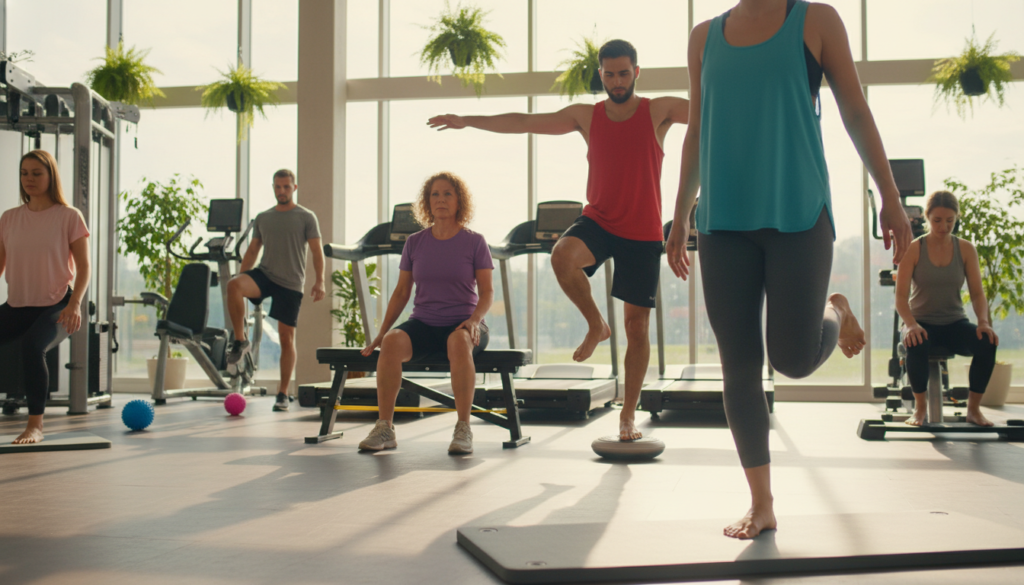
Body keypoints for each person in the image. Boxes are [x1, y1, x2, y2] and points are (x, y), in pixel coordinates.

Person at [665, 0, 912, 539]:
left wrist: (889, 197)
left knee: (794, 360)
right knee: (739, 365)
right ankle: (762, 502)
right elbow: (697, 127)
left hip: (798, 210)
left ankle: (834, 310)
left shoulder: (816, 20)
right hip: (723, 218)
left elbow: (854, 110)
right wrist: (682, 210)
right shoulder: (704, 36)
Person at [428, 39, 689, 442]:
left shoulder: (659, 110)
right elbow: (524, 122)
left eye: (624, 73)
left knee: (637, 328)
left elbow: (715, 109)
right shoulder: (587, 115)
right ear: (599, 74)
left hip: (642, 231)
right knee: (562, 256)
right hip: (599, 219)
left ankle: (628, 416)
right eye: (609, 73)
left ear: (637, 72)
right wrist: (467, 119)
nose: (617, 81)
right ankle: (595, 323)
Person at [358, 171, 493, 455]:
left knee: (457, 341)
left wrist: (474, 320)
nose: (441, 199)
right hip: (424, 323)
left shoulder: (474, 241)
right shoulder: (415, 242)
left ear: (459, 202)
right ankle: (385, 427)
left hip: (465, 324)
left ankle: (463, 428)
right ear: (427, 202)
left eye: (448, 194)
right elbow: (401, 292)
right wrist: (381, 334)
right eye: (435, 194)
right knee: (394, 342)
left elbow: (488, 292)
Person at [0, 150, 90, 444]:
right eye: (24, 173)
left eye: (37, 173)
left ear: (51, 176)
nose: (29, 179)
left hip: (57, 306)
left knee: (32, 346)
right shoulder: (9, 218)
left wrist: (75, 304)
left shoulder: (69, 216)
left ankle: (35, 425)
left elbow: (84, 267)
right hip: (16, 305)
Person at [226, 169, 326, 412]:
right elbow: (252, 251)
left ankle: (282, 393)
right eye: (278, 187)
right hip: (266, 274)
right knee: (233, 285)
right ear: (273, 187)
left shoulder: (306, 216)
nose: (282, 191)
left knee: (286, 338)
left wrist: (320, 280)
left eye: (286, 187)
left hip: (291, 283)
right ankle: (240, 341)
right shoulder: (264, 217)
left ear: (294, 188)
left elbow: (316, 250)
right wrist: (243, 274)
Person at [896, 190, 998, 427]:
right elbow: (901, 297)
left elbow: (977, 293)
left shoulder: (965, 249)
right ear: (927, 218)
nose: (944, 226)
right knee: (916, 341)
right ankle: (920, 411)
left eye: (950, 221)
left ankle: (973, 410)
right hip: (920, 323)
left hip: (954, 323)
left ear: (956, 218)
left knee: (987, 342)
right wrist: (911, 325)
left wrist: (983, 322)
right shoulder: (914, 248)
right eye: (937, 220)